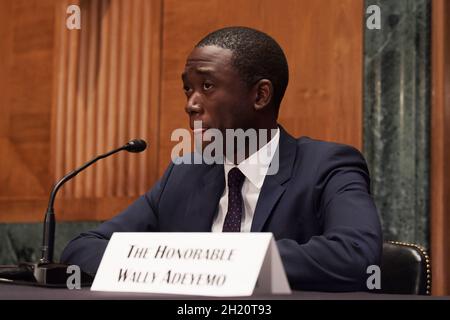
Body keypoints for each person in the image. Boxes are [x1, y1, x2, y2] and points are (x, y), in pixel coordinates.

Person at [61, 26, 382, 292]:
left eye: (207, 86)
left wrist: (221, 261)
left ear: (260, 95)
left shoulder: (327, 166)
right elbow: (82, 248)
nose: (191, 104)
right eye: (188, 90)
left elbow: (356, 256)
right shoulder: (185, 173)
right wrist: (176, 263)